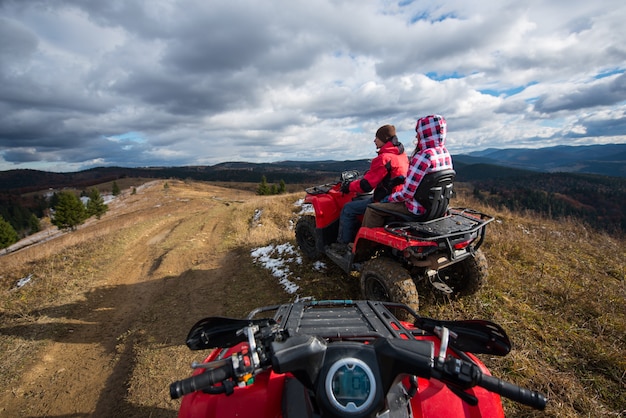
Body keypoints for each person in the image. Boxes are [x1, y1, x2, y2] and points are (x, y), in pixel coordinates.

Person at [361, 114, 453, 228]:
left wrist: (388, 199)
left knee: (372, 209)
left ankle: (364, 245)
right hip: (435, 208)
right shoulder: (444, 153)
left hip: (416, 208)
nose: (416, 136)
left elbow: (407, 194)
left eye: (418, 133)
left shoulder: (424, 156)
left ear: (425, 134)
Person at [331, 124, 408, 253]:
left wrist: (348, 186)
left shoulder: (384, 158)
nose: (374, 141)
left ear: (384, 139)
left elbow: (366, 186)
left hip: (385, 200)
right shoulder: (402, 156)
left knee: (348, 209)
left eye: (377, 138)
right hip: (399, 197)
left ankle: (343, 245)